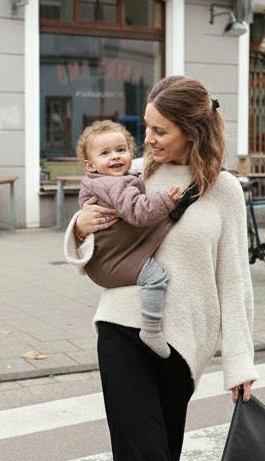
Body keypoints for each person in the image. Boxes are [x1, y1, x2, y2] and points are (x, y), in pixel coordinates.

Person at [63, 75, 257, 461]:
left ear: (191, 130)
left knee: (157, 454)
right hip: (121, 327)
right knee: (144, 452)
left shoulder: (223, 191)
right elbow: (92, 254)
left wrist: (238, 364)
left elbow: (235, 281)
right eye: (144, 128)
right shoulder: (129, 175)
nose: (145, 140)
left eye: (158, 131)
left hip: (183, 347)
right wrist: (77, 228)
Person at [76, 118, 187, 358]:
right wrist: (166, 200)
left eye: (121, 150)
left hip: (110, 257)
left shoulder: (114, 178)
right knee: (156, 277)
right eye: (105, 153)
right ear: (90, 164)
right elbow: (137, 212)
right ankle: (151, 329)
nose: (115, 157)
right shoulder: (112, 184)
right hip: (113, 260)